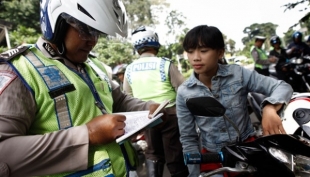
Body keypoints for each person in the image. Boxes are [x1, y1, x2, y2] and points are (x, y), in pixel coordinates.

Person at [0, 1, 162, 176]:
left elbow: (118, 100)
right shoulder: (20, 71)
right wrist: (88, 135)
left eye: (97, 32)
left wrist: (148, 108)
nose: (93, 41)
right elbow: (4, 154)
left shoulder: (94, 65)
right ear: (58, 25)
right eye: (86, 30)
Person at [176, 25, 293, 176]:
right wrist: (194, 174)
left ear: (220, 52)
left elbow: (282, 86)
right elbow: (188, 138)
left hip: (248, 151)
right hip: (213, 158)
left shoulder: (238, 74)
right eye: (190, 52)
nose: (195, 57)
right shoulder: (184, 92)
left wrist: (269, 108)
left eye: (203, 51)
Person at [123, 26, 189, 177]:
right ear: (155, 45)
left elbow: (127, 95)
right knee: (174, 152)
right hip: (171, 114)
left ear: (137, 48)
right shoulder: (165, 64)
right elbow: (182, 88)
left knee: (153, 153)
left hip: (147, 117)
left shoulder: (130, 69)